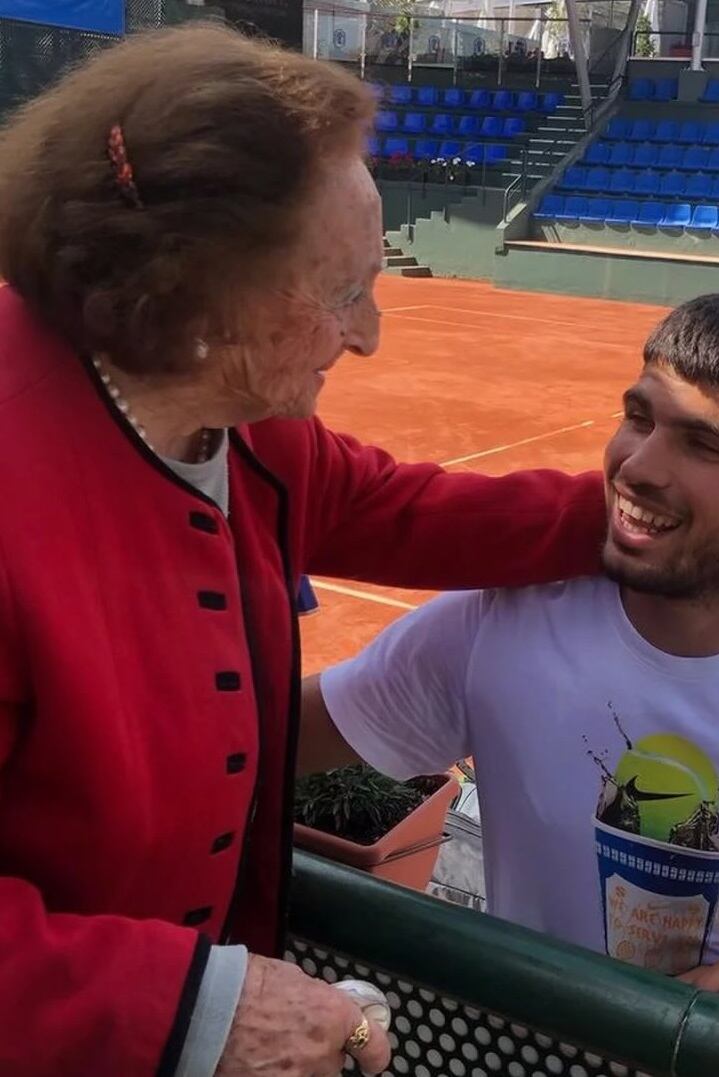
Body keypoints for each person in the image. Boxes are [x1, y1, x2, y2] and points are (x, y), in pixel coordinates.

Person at [0, 26, 607, 1077]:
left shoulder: (238, 420)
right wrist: (192, 1009)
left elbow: (405, 508)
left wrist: (629, 514)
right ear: (196, 299)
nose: (369, 334)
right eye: (341, 296)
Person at [308, 288, 719, 1033]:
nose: (635, 466)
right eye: (637, 417)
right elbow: (264, 737)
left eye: (701, 443)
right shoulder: (499, 625)